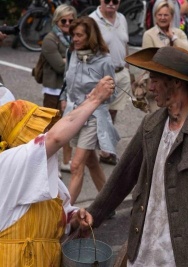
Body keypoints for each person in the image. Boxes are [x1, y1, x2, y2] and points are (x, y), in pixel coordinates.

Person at [88, 46, 188, 267]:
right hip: (147, 249)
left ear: (176, 82)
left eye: (155, 80)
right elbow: (123, 175)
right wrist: (93, 216)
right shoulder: (151, 124)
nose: (150, 87)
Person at [0, 74, 116, 265]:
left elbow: (60, 217)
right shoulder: (8, 164)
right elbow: (55, 138)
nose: (42, 132)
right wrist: (95, 98)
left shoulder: (41, 172)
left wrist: (76, 218)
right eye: (35, 129)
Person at [60, 17, 120, 205]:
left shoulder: (104, 61)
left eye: (79, 35)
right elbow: (66, 81)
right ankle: (108, 205)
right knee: (91, 162)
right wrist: (64, 100)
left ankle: (64, 214)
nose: (75, 39)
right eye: (73, 35)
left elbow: (112, 93)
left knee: (77, 165)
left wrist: (97, 96)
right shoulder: (72, 54)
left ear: (90, 36)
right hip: (75, 113)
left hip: (94, 116)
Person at [41, 4, 77, 172]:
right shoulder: (50, 39)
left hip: (70, 90)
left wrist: (66, 60)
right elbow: (60, 66)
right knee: (52, 129)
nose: (68, 23)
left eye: (71, 20)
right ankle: (50, 165)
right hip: (53, 91)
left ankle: (66, 161)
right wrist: (69, 61)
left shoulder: (75, 38)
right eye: (64, 20)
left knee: (67, 128)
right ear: (57, 20)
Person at [90, 0, 132, 125]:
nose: (111, 3)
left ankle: (106, 141)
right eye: (107, 0)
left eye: (115, 1)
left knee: (113, 112)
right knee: (98, 112)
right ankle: (96, 142)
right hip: (102, 75)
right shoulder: (92, 21)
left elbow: (125, 44)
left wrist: (128, 70)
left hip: (121, 73)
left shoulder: (122, 18)